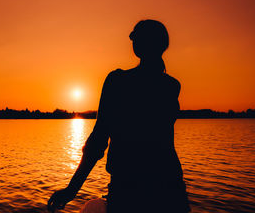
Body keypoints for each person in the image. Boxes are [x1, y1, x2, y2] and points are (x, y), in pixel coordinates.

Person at [48, 19, 191, 213]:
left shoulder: (118, 81)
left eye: (134, 36)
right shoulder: (171, 86)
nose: (131, 39)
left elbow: (98, 141)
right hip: (170, 188)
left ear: (140, 42)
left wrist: (72, 189)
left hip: (128, 190)